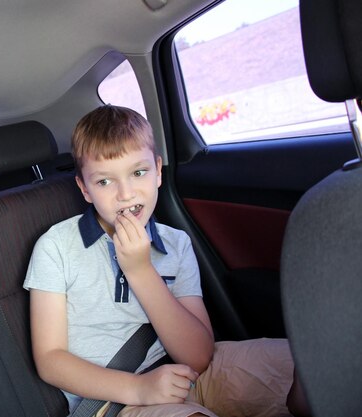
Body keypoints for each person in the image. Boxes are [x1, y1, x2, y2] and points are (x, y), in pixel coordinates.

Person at [23, 105, 307, 417]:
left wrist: (141, 271)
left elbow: (198, 356)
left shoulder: (176, 243)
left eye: (138, 172)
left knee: (311, 366)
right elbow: (50, 359)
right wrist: (139, 389)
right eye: (105, 182)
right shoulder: (56, 247)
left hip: (188, 373)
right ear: (85, 189)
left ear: (158, 171)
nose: (126, 193)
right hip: (118, 399)